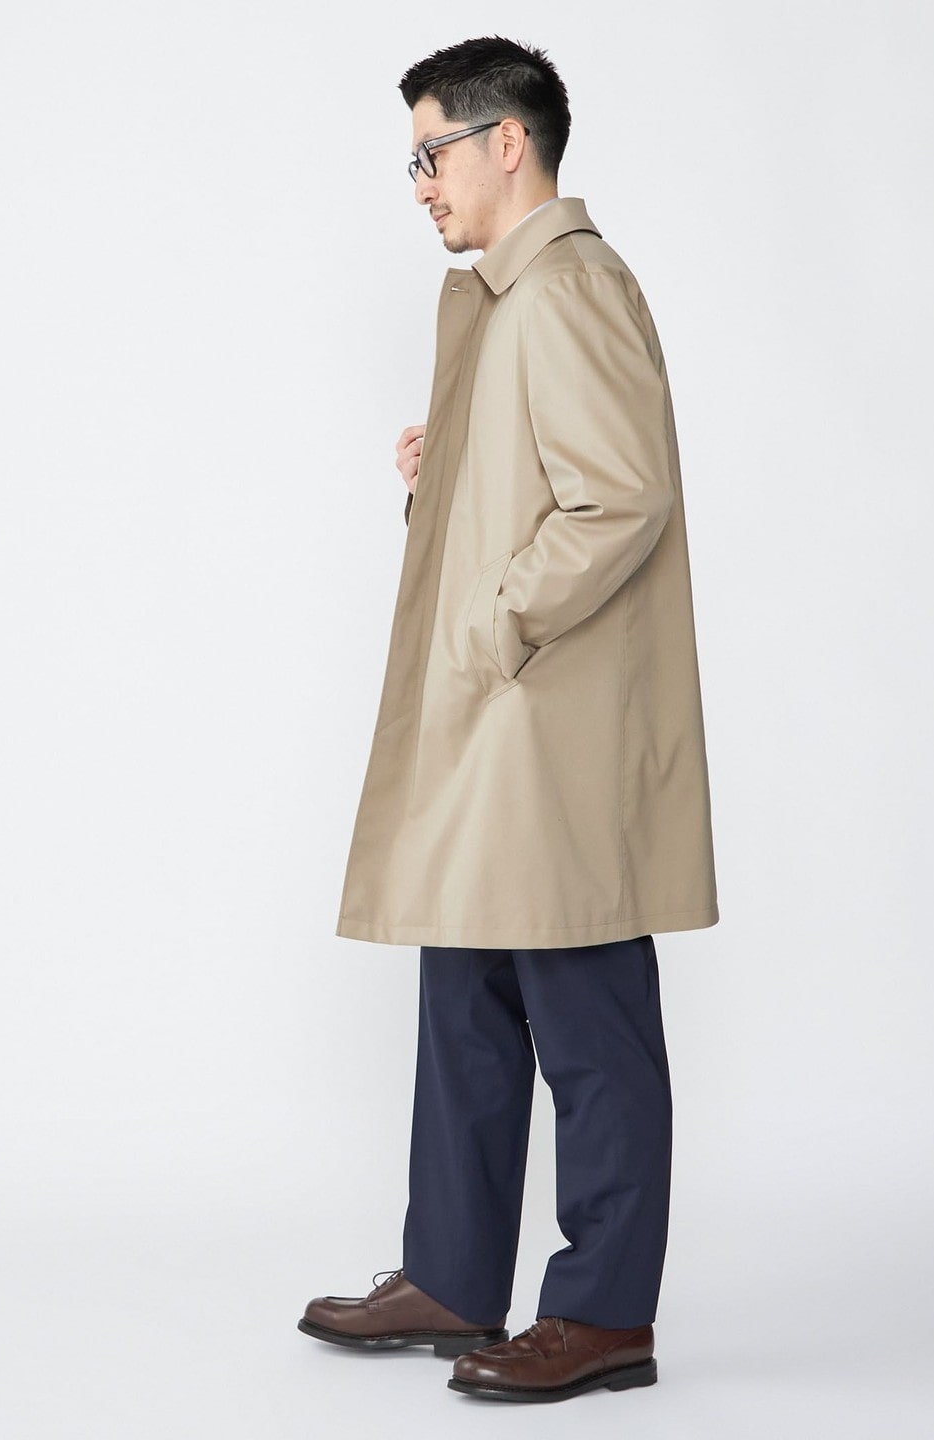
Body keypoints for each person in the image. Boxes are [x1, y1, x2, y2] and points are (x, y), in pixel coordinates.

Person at [298, 36, 720, 1404]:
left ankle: (603, 1314)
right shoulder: (498, 299)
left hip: (553, 726)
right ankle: (452, 1273)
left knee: (590, 1024)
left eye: (432, 152)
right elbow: (543, 492)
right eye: (414, 160)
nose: (421, 182)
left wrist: (494, 616)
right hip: (498, 723)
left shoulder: (571, 286)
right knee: (467, 1001)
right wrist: (449, 486)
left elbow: (621, 496)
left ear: (507, 143)